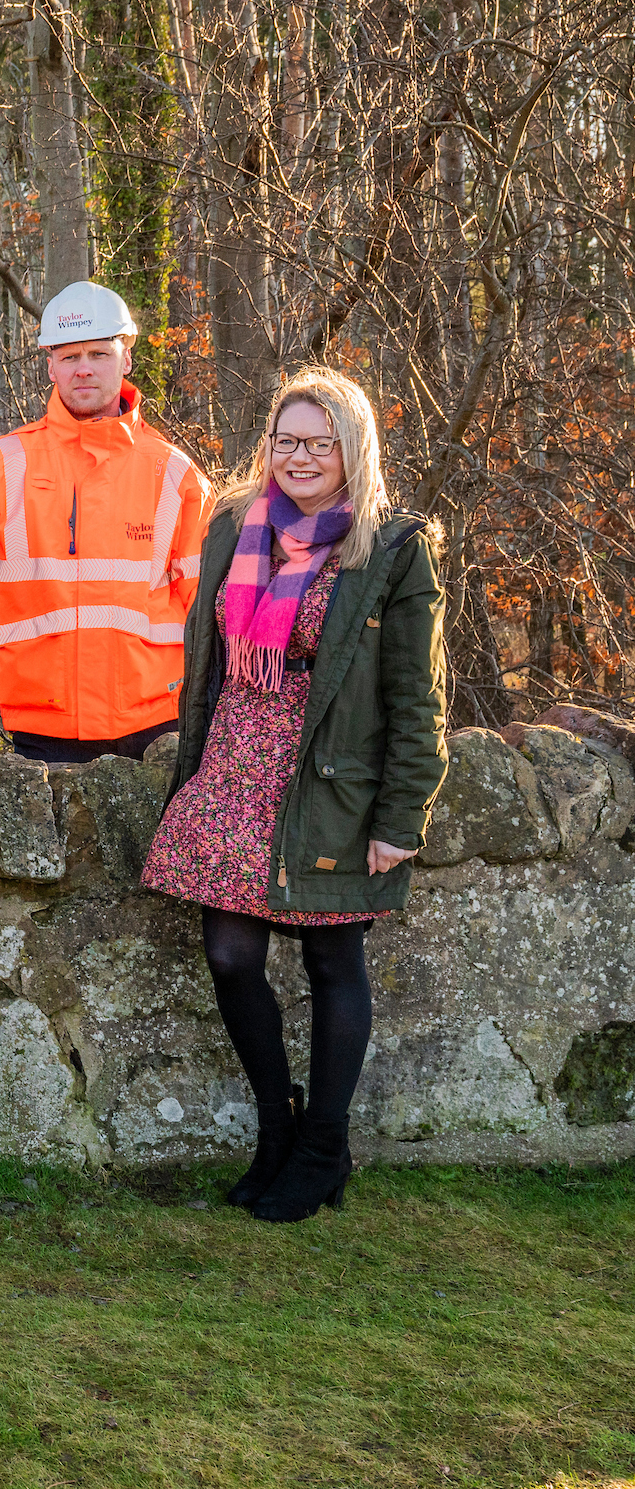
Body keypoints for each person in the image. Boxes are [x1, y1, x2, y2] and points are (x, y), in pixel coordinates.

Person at [141, 368, 447, 1222]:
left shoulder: (390, 549)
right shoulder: (237, 526)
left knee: (329, 959)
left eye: (320, 442)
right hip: (235, 765)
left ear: (354, 449)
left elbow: (417, 701)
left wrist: (400, 817)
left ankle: (322, 1146)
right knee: (232, 955)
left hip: (328, 778)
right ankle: (276, 1129)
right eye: (287, 440)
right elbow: (205, 656)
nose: (301, 456)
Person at [0, 281, 211, 762]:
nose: (84, 368)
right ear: (50, 365)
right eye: (71, 356)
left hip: (155, 722)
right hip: (43, 724)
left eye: (99, 354)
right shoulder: (3, 463)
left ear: (126, 358)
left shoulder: (177, 475)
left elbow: (207, 611)